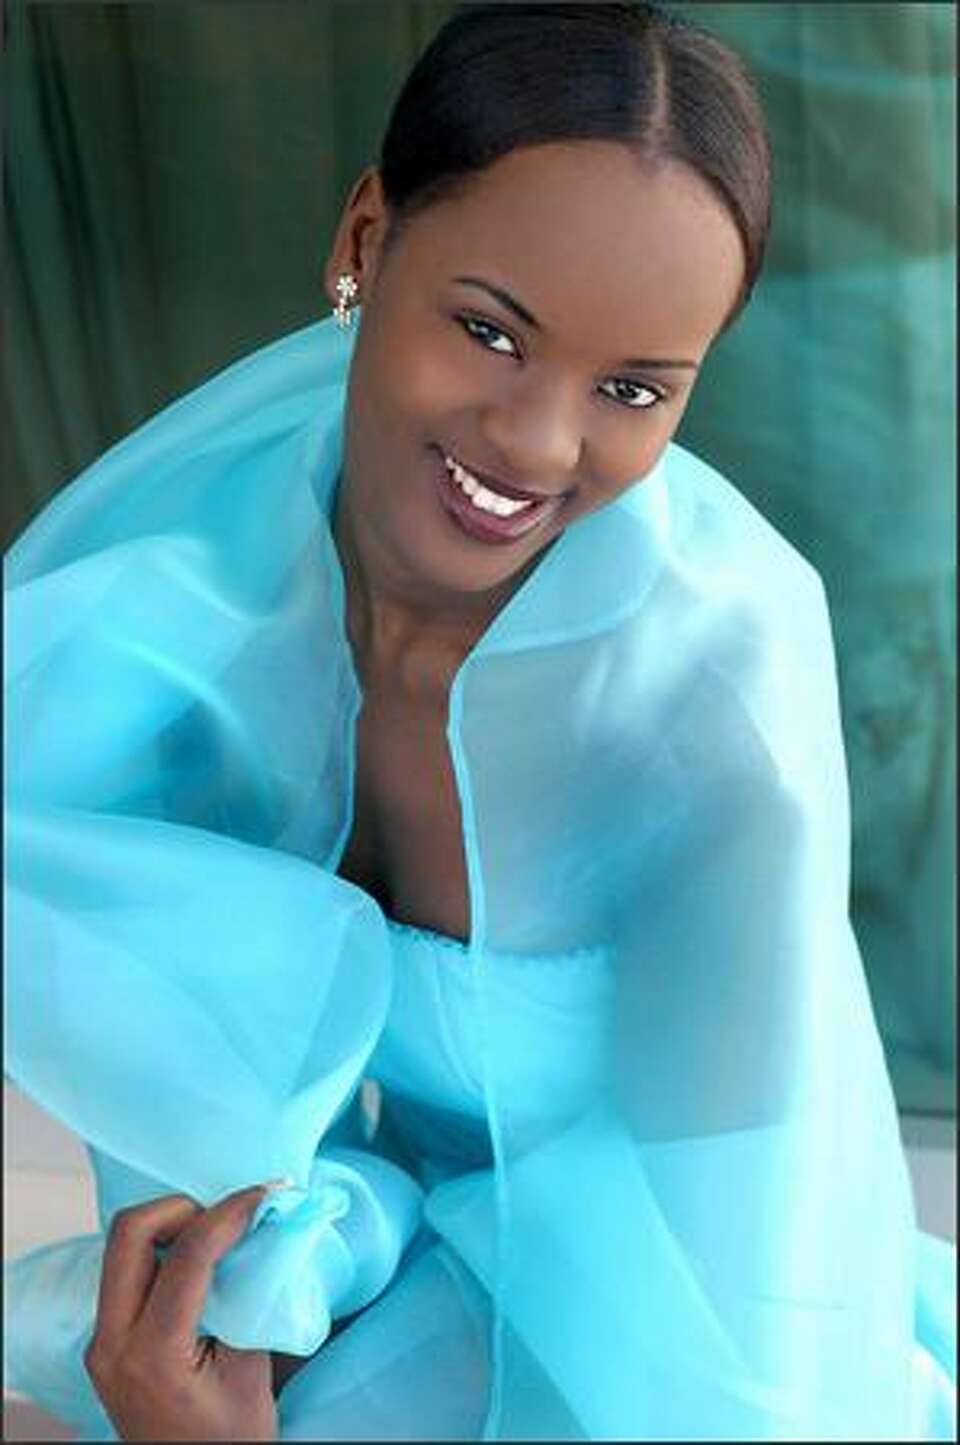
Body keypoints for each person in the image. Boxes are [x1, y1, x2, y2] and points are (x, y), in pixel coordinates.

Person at [4, 3, 955, 1440]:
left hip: (655, 1310)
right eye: (492, 331)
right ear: (366, 239)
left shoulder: (710, 717)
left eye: (631, 389)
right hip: (372, 1232)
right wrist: (240, 1303)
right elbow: (171, 1034)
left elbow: (732, 1301)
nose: (538, 443)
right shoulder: (190, 580)